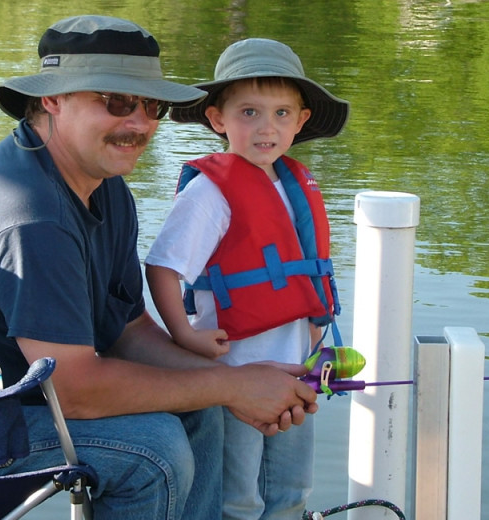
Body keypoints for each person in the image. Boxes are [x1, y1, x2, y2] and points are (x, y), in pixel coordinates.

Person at [0, 16, 319, 520]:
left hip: (9, 407)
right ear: (52, 98)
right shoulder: (29, 214)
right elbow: (76, 391)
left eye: (151, 105)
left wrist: (238, 379)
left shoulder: (104, 186)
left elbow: (129, 332)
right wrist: (231, 386)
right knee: (154, 450)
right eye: (116, 102)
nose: (139, 123)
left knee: (204, 408)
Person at [145, 38, 349, 520]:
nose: (266, 127)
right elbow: (163, 268)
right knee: (237, 498)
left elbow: (304, 277)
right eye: (250, 112)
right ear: (218, 120)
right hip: (235, 376)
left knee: (291, 491)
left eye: (281, 114)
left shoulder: (296, 186)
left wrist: (317, 335)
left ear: (301, 121)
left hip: (296, 370)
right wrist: (184, 335)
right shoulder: (211, 193)